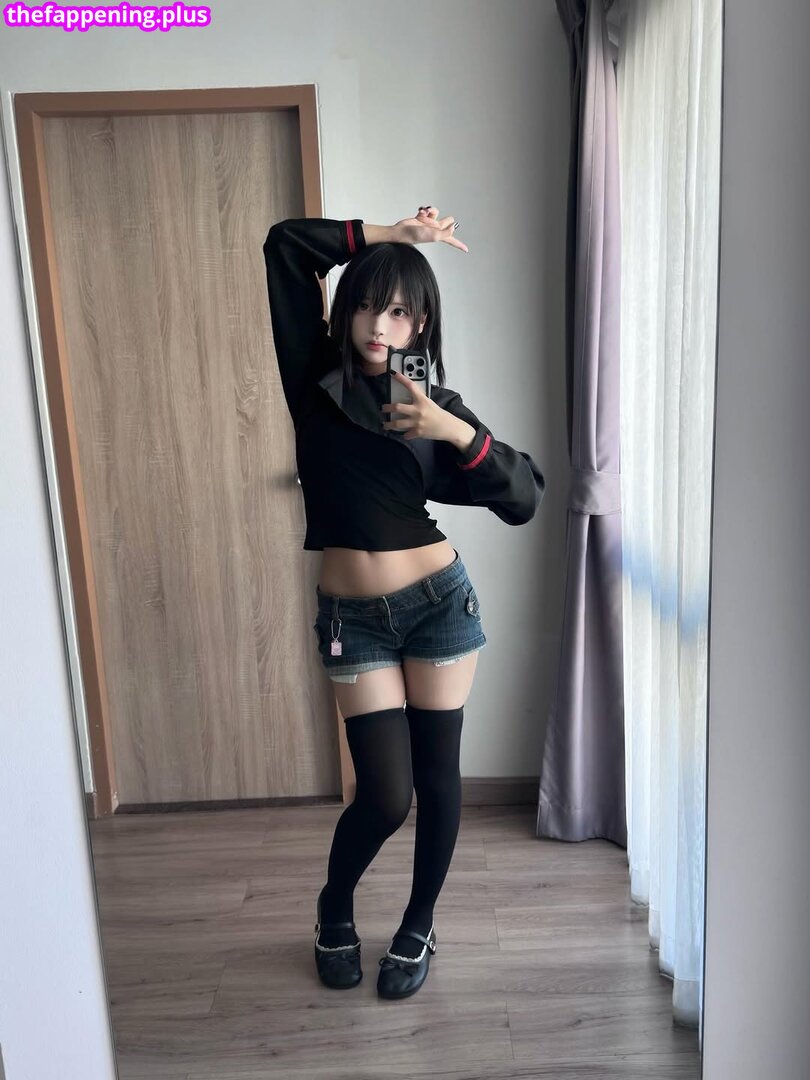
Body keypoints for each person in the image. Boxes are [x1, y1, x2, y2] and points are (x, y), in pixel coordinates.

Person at [262, 206, 545, 1000]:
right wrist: (394, 236)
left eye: (396, 312)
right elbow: (286, 246)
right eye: (365, 305)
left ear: (419, 323)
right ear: (347, 311)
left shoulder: (433, 406)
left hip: (438, 605)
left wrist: (451, 430)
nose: (377, 325)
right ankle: (334, 905)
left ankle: (419, 923)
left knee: (438, 778)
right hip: (352, 620)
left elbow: (524, 497)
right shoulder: (314, 379)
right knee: (386, 795)